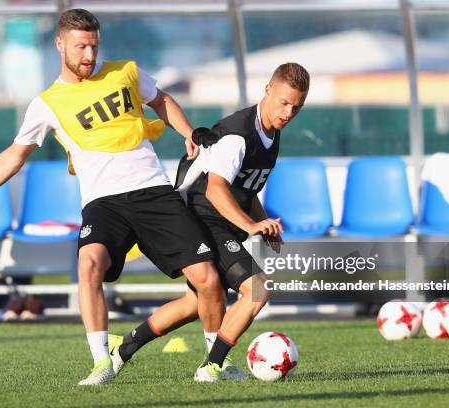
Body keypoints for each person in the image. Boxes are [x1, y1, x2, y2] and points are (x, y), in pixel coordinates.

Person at [0, 9, 225, 386]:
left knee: (208, 280)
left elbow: (161, 100)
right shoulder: (47, 103)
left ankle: (213, 364)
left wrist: (186, 131)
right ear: (60, 44)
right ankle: (102, 362)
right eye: (80, 46)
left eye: (93, 46)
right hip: (105, 203)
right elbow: (14, 156)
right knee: (89, 263)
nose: (89, 55)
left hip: (153, 191)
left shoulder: (126, 72)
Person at [109, 63, 310, 382]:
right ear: (268, 90)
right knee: (257, 289)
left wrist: (261, 221)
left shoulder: (271, 134)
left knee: (195, 302)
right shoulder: (239, 135)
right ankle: (212, 365)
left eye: (296, 107)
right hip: (201, 218)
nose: (288, 112)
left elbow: (246, 189)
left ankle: (123, 349)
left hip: (218, 221)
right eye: (284, 102)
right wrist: (252, 226)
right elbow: (216, 190)